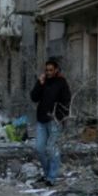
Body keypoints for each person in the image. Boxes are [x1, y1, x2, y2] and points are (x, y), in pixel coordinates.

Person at [29, 58, 72, 186]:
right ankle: (47, 174)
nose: (48, 72)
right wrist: (39, 83)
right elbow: (33, 97)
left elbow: (66, 101)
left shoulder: (62, 82)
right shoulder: (43, 82)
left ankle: (52, 177)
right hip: (41, 120)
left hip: (54, 121)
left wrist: (59, 117)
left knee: (52, 149)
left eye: (51, 70)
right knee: (40, 148)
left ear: (56, 70)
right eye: (46, 70)